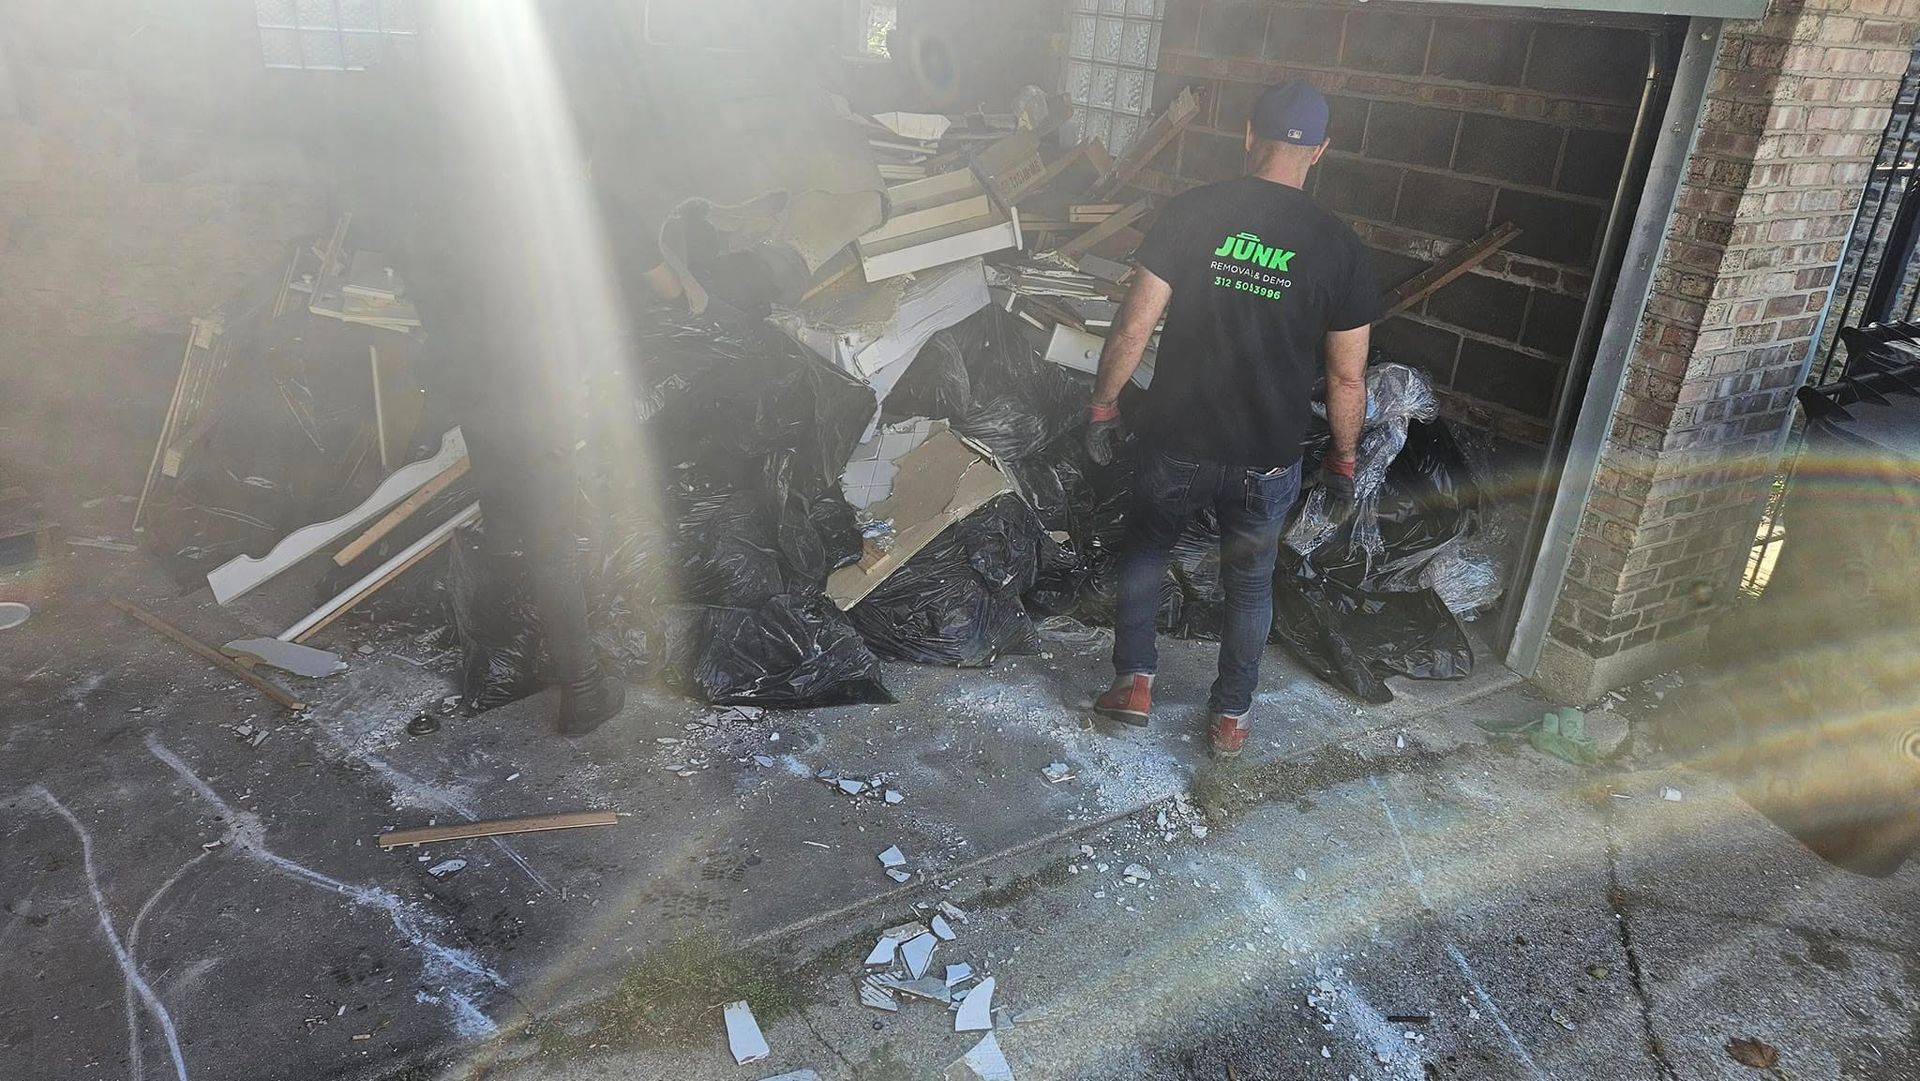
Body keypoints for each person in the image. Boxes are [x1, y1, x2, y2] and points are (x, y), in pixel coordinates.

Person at [1083, 79, 1378, 758]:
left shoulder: (1193, 212)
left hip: (1176, 438)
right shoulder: (1339, 246)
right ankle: (1232, 718)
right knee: (1249, 583)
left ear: (1248, 135)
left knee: (1147, 551)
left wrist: (1102, 405)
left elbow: (1134, 325)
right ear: (1321, 151)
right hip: (1266, 454)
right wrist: (1344, 457)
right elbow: (1347, 376)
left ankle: (1133, 683)